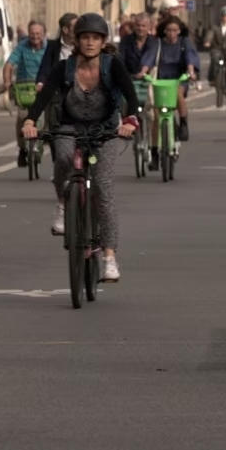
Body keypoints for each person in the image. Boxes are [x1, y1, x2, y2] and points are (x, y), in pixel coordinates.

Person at [20, 14, 140, 281]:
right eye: (84, 37)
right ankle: (63, 203)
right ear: (76, 40)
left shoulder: (113, 66)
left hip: (105, 131)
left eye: (95, 38)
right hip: (69, 127)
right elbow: (44, 96)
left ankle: (109, 257)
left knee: (103, 188)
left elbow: (131, 96)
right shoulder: (65, 67)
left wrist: (131, 120)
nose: (89, 42)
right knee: (62, 158)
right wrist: (30, 120)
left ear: (102, 42)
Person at [143, 15, 199, 171]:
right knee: (155, 118)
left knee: (179, 94)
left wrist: (191, 71)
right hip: (161, 81)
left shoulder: (184, 42)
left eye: (175, 30)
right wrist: (143, 71)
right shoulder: (158, 43)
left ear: (179, 31)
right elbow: (149, 58)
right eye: (169, 30)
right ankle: (154, 154)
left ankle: (183, 124)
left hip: (179, 79)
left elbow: (190, 57)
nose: (172, 33)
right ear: (164, 31)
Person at [4, 20, 48, 166]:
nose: (35, 37)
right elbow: (9, 64)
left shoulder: (49, 48)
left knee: (47, 119)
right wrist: (7, 82)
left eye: (38, 34)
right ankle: (23, 148)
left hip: (43, 89)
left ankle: (44, 143)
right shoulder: (22, 47)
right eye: (32, 34)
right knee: (22, 118)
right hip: (24, 89)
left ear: (43, 34)